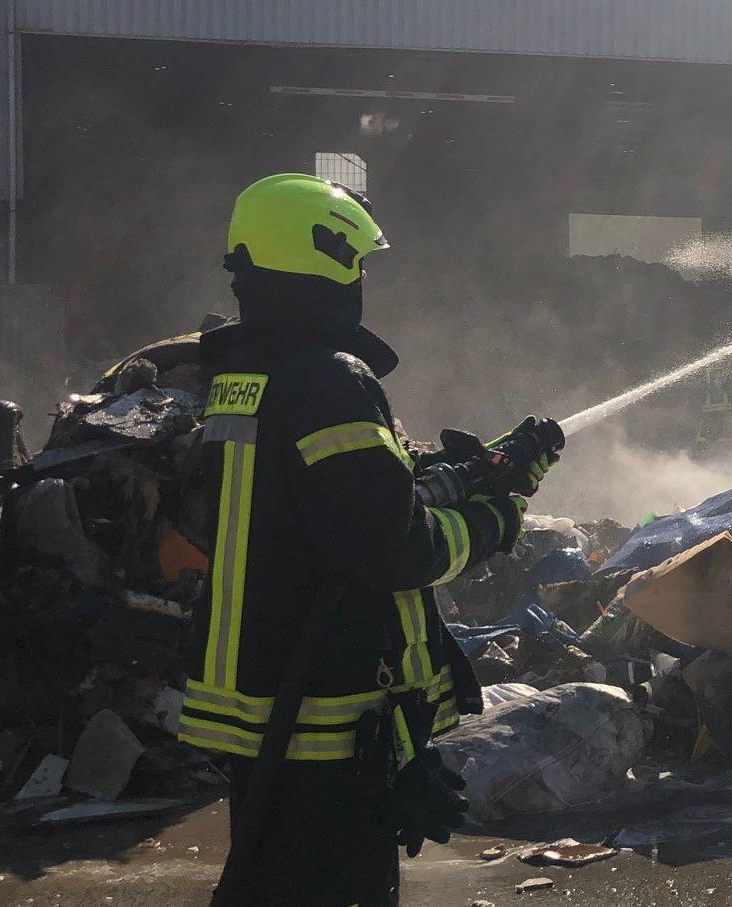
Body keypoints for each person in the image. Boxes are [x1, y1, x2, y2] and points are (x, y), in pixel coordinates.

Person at [175, 174, 553, 906]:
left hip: (264, 701)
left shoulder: (247, 374)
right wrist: (494, 520)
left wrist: (457, 471)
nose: (363, 278)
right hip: (323, 718)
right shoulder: (329, 382)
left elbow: (329, 499)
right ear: (327, 256)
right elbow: (392, 547)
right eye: (359, 262)